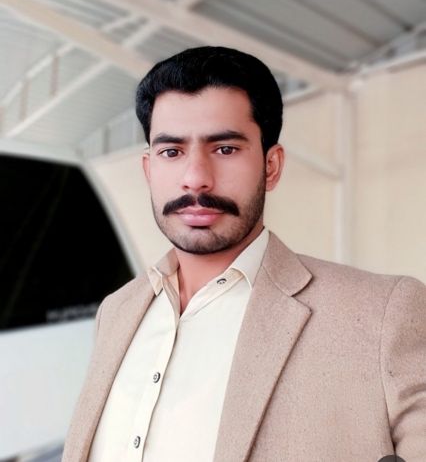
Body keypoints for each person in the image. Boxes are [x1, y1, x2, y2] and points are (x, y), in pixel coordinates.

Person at [62, 46, 426, 462]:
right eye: (171, 152)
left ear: (271, 166)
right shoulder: (116, 311)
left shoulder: (382, 315)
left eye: (225, 149)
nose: (195, 179)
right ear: (149, 170)